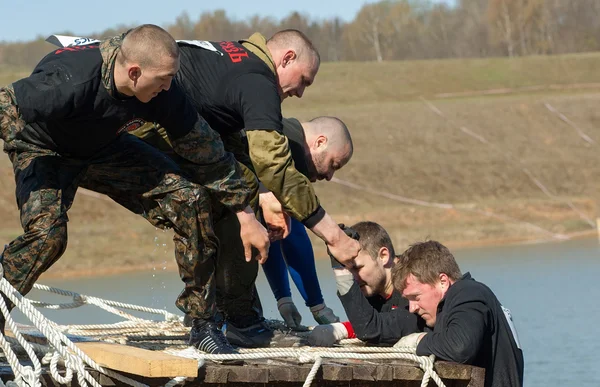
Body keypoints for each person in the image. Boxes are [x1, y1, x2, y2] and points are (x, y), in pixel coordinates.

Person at [0, 24, 269, 355]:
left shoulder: (163, 93)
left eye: (172, 78)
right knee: (48, 237)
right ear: (134, 71)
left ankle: (203, 324)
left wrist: (246, 212)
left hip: (103, 149)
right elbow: (5, 106)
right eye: (163, 79)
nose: (169, 86)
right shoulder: (70, 79)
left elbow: (207, 151)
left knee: (189, 198)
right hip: (45, 150)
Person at [124, 30, 360, 346]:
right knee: (232, 193)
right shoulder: (259, 82)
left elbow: (261, 190)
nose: (301, 93)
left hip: (152, 121)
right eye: (304, 80)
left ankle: (229, 314)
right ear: (286, 58)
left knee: (240, 191)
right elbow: (276, 178)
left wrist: (287, 298)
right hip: (143, 127)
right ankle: (226, 317)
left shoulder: (237, 58)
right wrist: (334, 238)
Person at [261, 116, 356, 329]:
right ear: (320, 142)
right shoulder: (281, 144)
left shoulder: (280, 135)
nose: (330, 176)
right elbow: (293, 234)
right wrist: (317, 305)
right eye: (333, 164)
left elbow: (273, 230)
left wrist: (283, 299)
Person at [391, 241, 524, 387]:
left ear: (443, 281)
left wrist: (419, 341)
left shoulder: (468, 293)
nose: (412, 308)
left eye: (416, 297)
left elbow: (459, 348)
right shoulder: (455, 304)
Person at [309, 221, 424, 346]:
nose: (353, 278)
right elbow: (367, 321)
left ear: (383, 256)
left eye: (357, 268)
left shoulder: (416, 282)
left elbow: (371, 329)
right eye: (348, 270)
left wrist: (343, 329)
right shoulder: (371, 284)